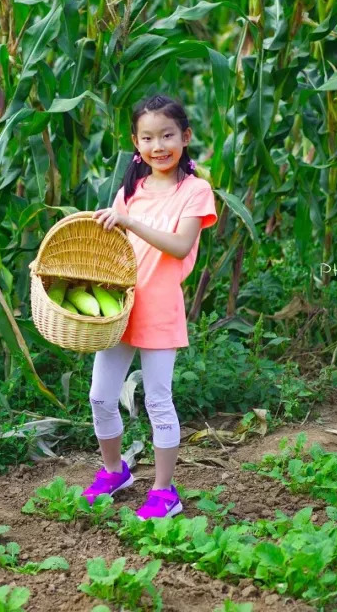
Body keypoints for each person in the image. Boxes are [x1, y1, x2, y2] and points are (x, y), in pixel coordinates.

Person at [83, 95, 219, 520]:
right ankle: (114, 472)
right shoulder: (133, 190)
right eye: (148, 137)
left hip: (159, 308)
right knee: (101, 397)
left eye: (167, 135)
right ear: (135, 142)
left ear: (186, 137)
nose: (158, 146)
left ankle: (164, 492)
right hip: (121, 307)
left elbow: (179, 246)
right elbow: (112, 246)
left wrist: (131, 221)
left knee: (158, 401)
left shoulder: (195, 191)